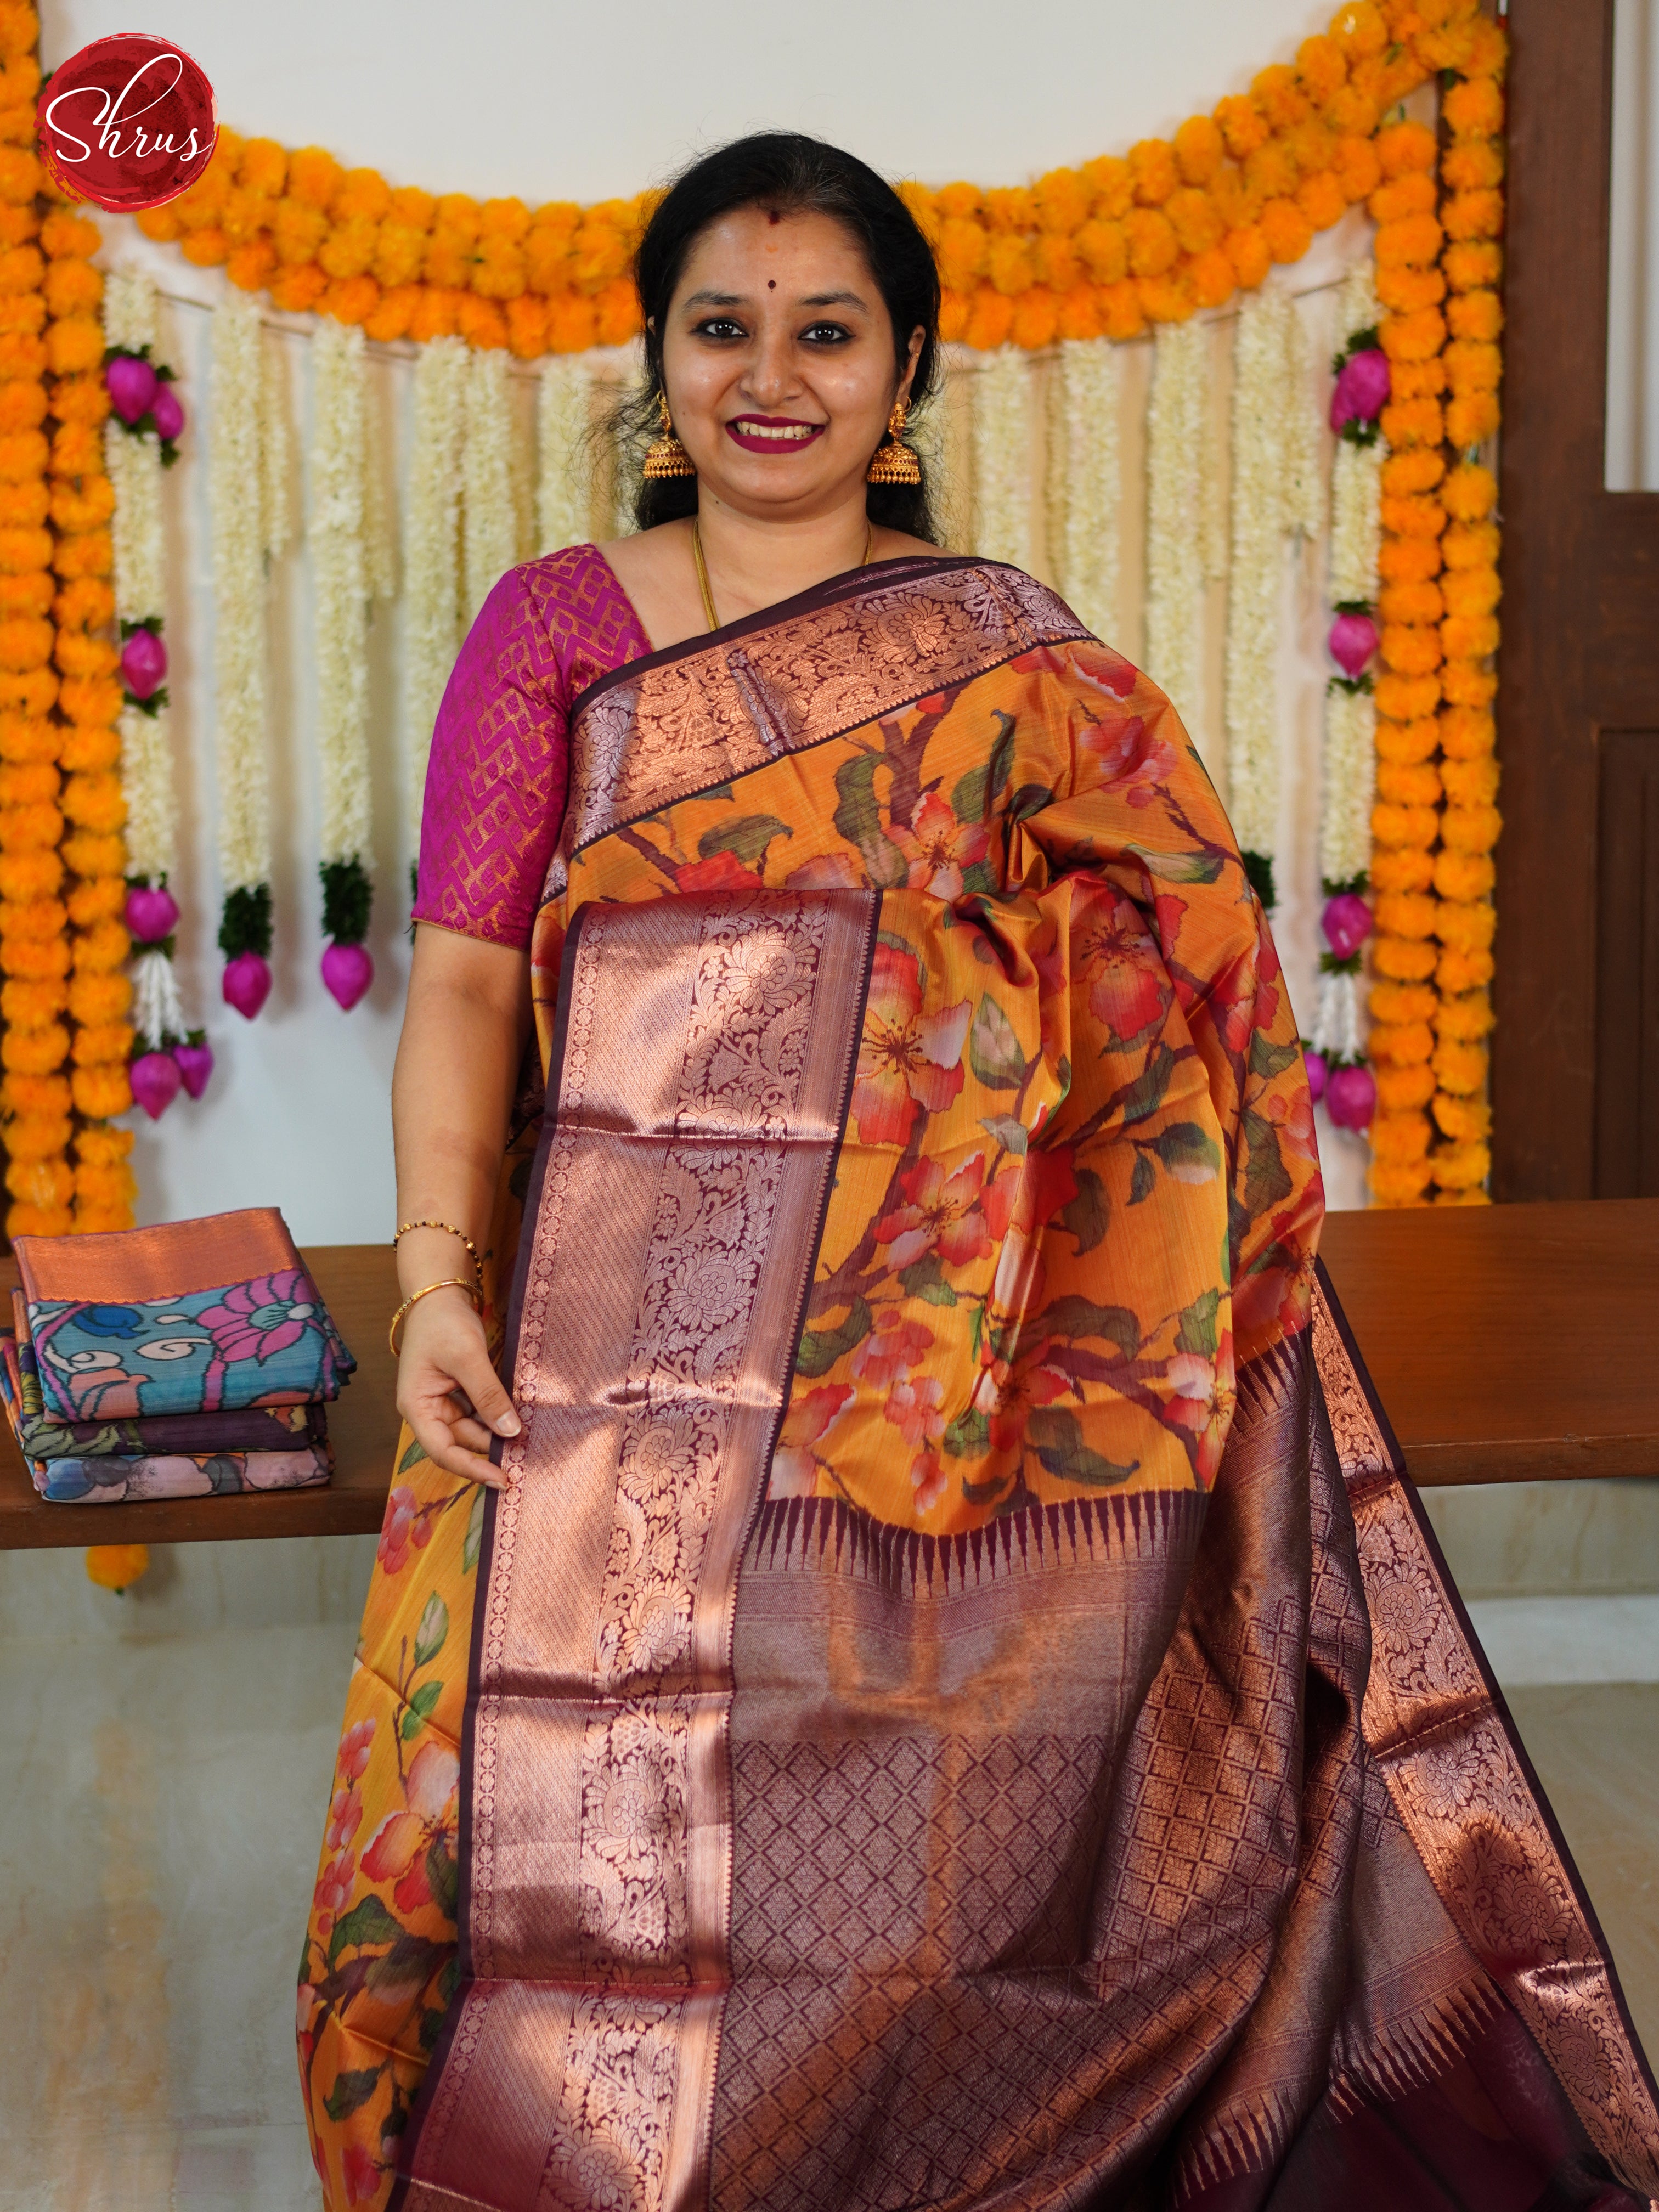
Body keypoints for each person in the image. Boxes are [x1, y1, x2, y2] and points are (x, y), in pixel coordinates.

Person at [299, 132, 1659, 2212]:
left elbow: (1185, 966)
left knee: (946, 1803)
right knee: (568, 1807)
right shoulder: (557, 626)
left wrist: (973, 1032)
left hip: (942, 1351)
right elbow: (474, 978)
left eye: (827, 330)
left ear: (907, 367)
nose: (773, 375)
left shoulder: (1013, 656)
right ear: (654, 363)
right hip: (618, 1327)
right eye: (723, 327)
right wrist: (437, 1280)